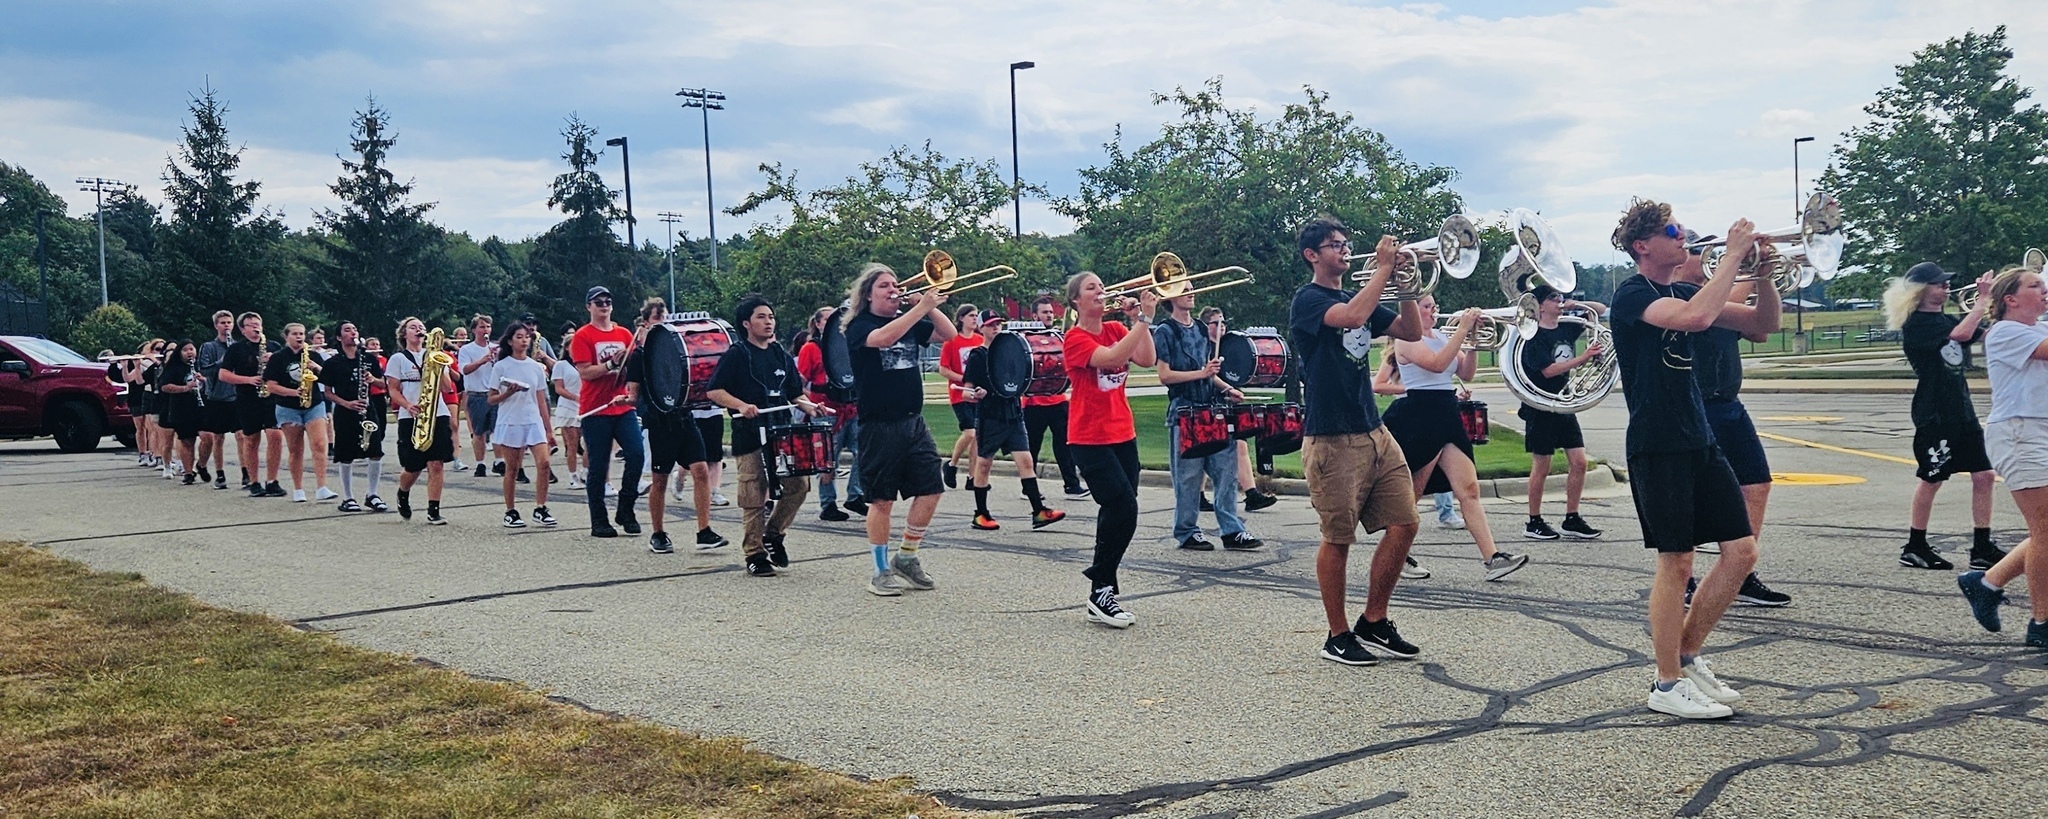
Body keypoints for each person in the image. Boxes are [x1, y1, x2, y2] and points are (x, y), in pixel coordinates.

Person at [1609, 199, 1765, 719]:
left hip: (1698, 436)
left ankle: (1688, 655)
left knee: (1741, 553)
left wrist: (1760, 274)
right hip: (1657, 442)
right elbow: (1698, 317)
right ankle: (1666, 684)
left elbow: (1761, 323)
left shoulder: (1680, 288)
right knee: (1676, 561)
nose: (1684, 238)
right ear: (1643, 245)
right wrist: (1732, 258)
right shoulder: (1632, 294)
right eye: (1673, 231)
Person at [1289, 217, 1427, 666]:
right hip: (1331, 437)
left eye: (1347, 244)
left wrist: (1405, 286)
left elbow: (1411, 333)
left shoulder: (1357, 294)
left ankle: (1374, 620)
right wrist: (1384, 268)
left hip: (1373, 430)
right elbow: (1349, 319)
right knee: (1339, 538)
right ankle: (1337, 633)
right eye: (1334, 246)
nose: (1345, 252)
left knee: (1405, 522)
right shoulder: (1308, 300)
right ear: (1312, 255)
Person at [1671, 238, 1793, 608]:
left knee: (1757, 486)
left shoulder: (1721, 294)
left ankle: (1741, 573)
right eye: (1699, 251)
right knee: (1692, 496)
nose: (1710, 258)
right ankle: (1685, 579)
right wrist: (1741, 264)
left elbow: (1761, 329)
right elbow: (1707, 311)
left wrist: (1762, 275)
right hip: (1694, 406)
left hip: (1729, 404)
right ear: (1682, 262)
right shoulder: (1678, 295)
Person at [1384, 296, 1529, 581]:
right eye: (1426, 306)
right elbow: (1437, 364)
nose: (1433, 310)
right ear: (1412, 310)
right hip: (1421, 414)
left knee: (1469, 489)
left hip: (1447, 412)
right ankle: (1395, 556)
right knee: (1411, 495)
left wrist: (1472, 341)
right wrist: (1462, 329)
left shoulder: (1440, 335)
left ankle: (1492, 558)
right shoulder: (1406, 340)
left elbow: (1467, 373)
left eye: (1434, 305)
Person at [842, 262, 957, 596]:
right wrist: (920, 307)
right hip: (879, 423)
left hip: (913, 420)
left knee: (932, 488)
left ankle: (906, 557)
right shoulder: (859, 326)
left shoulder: (907, 319)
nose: (893, 290)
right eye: (884, 286)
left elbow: (949, 335)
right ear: (867, 294)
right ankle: (879, 570)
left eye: (896, 284)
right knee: (882, 500)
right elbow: (882, 339)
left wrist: (929, 307)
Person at [1884, 262, 2003, 570]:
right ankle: (1915, 545)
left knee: (1985, 475)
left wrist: (2002, 306)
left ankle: (1981, 547)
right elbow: (1961, 334)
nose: (1947, 288)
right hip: (1935, 412)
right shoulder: (1917, 324)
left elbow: (1986, 334)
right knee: (1932, 478)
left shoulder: (1945, 318)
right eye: (1940, 284)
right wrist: (1980, 302)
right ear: (1922, 290)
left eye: (1946, 283)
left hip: (1961, 409)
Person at [1954, 266, 2048, 649]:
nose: (2044, 290)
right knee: (2046, 529)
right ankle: (2041, 623)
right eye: (2035, 286)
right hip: (2019, 434)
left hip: (2040, 430)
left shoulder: (2038, 328)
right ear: (2010, 299)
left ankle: (1986, 582)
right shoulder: (2006, 332)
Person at [707, 294, 829, 576]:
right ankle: (755, 553)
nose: (769, 322)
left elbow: (795, 393)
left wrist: (811, 407)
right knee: (754, 492)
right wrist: (741, 405)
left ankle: (773, 534)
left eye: (771, 317)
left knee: (799, 486)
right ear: (747, 323)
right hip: (749, 434)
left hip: (782, 433)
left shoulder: (781, 356)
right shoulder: (736, 355)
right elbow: (715, 391)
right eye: (762, 317)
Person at [1065, 272, 1158, 627]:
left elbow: (1146, 358)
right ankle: (1102, 588)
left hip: (1122, 433)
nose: (1101, 292)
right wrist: (1144, 319)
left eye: (1102, 287)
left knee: (1120, 510)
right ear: (1076, 300)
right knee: (1122, 505)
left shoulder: (1119, 328)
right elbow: (1109, 358)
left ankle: (1101, 589)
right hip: (1088, 438)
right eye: (1092, 288)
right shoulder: (1074, 338)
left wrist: (1137, 320)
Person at [1153, 288, 1260, 551]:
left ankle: (1232, 530)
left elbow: (1208, 373)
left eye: (1191, 289)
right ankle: (1187, 531)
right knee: (1188, 477)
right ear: (1170, 297)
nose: (1191, 293)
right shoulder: (1165, 331)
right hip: (1185, 412)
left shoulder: (1201, 328)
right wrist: (1202, 373)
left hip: (1212, 410)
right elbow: (1165, 376)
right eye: (1185, 290)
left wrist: (1226, 388)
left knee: (1226, 472)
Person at [631, 299, 727, 553]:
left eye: (665, 318)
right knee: (659, 480)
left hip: (684, 416)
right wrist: (626, 399)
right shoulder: (640, 355)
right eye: (657, 319)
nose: (664, 324)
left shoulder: (678, 351)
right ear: (646, 323)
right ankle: (658, 533)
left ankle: (704, 531)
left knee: (701, 469)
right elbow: (633, 394)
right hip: (660, 422)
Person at [960, 310, 1067, 532]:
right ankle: (980, 514)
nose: (995, 327)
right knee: (984, 464)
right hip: (990, 416)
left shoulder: (1011, 351)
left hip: (1014, 414)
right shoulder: (978, 356)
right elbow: (965, 392)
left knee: (1026, 461)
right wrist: (976, 394)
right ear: (981, 328)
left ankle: (1038, 511)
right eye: (990, 325)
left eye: (998, 323)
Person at [1516, 285, 1608, 541]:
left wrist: (1576, 305)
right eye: (1553, 298)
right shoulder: (1532, 336)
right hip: (1540, 405)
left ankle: (1572, 518)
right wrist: (1584, 358)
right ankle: (1533, 521)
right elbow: (1548, 370)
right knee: (1542, 466)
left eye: (1560, 297)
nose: (1559, 301)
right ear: (1540, 306)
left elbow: (1599, 311)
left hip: (1564, 403)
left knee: (1579, 462)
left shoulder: (1567, 325)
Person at [572, 287, 645, 539]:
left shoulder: (624, 333)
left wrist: (628, 364)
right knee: (598, 465)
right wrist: (611, 364)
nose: (604, 305)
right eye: (598, 302)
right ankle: (598, 520)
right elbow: (585, 372)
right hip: (596, 408)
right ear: (589, 307)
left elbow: (634, 367)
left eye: (607, 301)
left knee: (636, 454)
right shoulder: (583, 336)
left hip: (621, 404)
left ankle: (626, 507)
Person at [1203, 307, 1280, 513]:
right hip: (1206, 404)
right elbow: (1207, 375)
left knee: (1239, 444)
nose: (1222, 326)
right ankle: (1201, 495)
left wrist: (1233, 390)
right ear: (1206, 326)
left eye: (1223, 322)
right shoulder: (1203, 347)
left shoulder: (1229, 347)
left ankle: (1251, 494)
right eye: (1216, 323)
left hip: (1224, 402)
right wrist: (1228, 388)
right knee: (1204, 449)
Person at [797, 305, 866, 521]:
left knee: (864, 451)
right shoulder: (811, 349)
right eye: (827, 320)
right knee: (828, 460)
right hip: (826, 410)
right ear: (818, 324)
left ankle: (855, 495)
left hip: (852, 408)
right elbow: (799, 382)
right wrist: (810, 403)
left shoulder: (849, 344)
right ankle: (828, 504)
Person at [384, 317, 454, 524]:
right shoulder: (398, 359)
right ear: (404, 334)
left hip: (438, 412)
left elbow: (447, 388)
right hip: (411, 414)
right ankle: (403, 492)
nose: (419, 330)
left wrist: (438, 366)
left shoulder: (435, 355)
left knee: (437, 463)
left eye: (422, 327)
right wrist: (406, 405)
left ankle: (433, 509)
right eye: (413, 327)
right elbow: (393, 390)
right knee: (413, 466)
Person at [488, 322, 557, 529]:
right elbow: (491, 398)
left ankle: (541, 507)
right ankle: (510, 510)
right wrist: (508, 392)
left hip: (532, 420)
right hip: (511, 420)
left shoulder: (535, 367)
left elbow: (540, 399)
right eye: (519, 336)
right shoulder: (501, 366)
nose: (524, 340)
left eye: (526, 336)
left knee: (544, 464)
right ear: (510, 341)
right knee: (513, 468)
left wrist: (548, 428)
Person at [321, 321, 388, 513]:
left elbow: (383, 384)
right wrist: (346, 403)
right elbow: (327, 392)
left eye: (355, 330)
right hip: (345, 410)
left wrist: (372, 379)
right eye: (347, 330)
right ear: (340, 338)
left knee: (375, 450)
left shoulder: (368, 358)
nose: (353, 333)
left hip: (368, 408)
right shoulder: (333, 363)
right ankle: (348, 497)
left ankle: (372, 494)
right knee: (346, 453)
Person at [1027, 295, 1089, 499]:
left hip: (1058, 399)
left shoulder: (1059, 336)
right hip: (1033, 402)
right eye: (1045, 312)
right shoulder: (1025, 338)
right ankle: (1028, 488)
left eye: (1051, 312)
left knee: (1064, 444)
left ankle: (1071, 485)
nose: (1049, 315)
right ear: (1035, 315)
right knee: (1032, 446)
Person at [262, 323, 330, 503]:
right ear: (286, 337)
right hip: (288, 406)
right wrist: (294, 392)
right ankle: (298, 489)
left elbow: (328, 378)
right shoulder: (278, 358)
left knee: (319, 444)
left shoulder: (313, 355)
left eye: (301, 334)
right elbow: (270, 386)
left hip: (314, 403)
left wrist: (316, 367)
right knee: (295, 449)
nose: (299, 337)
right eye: (295, 334)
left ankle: (322, 487)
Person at [222, 313, 286, 498]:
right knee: (251, 440)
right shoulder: (236, 349)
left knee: (275, 436)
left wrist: (274, 360)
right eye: (250, 325)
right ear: (242, 329)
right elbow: (223, 375)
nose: (255, 328)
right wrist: (248, 380)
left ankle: (272, 481)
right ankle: (254, 481)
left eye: (258, 324)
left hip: (271, 397)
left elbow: (285, 370)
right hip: (247, 397)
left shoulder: (273, 346)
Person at [457, 314, 508, 481]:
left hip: (494, 393)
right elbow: (464, 370)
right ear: (474, 330)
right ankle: (480, 463)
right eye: (481, 327)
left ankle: (499, 461)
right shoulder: (466, 350)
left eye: (488, 327)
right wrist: (482, 360)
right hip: (476, 394)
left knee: (498, 429)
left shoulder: (496, 348)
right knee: (479, 432)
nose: (485, 330)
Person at [939, 304, 983, 490]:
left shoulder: (980, 340)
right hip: (960, 394)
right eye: (971, 315)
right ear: (961, 318)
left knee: (978, 438)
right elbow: (943, 369)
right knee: (969, 433)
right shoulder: (952, 341)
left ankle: (972, 477)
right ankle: (951, 464)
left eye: (976, 315)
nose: (974, 319)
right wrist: (965, 379)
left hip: (978, 394)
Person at [196, 310, 236, 489]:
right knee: (217, 437)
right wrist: (222, 361)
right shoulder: (209, 347)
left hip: (236, 396)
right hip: (216, 396)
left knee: (243, 435)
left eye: (229, 322)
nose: (226, 325)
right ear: (216, 326)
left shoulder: (238, 346)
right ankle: (220, 473)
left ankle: (245, 473)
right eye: (222, 323)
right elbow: (204, 370)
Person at [157, 340, 203, 484]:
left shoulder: (200, 365)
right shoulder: (173, 367)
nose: (190, 352)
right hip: (181, 408)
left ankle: (202, 465)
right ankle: (188, 472)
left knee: (208, 437)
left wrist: (204, 380)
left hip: (201, 407)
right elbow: (164, 386)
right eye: (185, 350)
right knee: (187, 441)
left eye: (192, 349)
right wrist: (185, 388)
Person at [550, 333, 585, 490]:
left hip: (585, 406)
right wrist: (575, 397)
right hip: (568, 407)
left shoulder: (584, 363)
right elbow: (558, 388)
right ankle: (572, 476)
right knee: (572, 444)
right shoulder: (561, 365)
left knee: (590, 443)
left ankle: (585, 472)